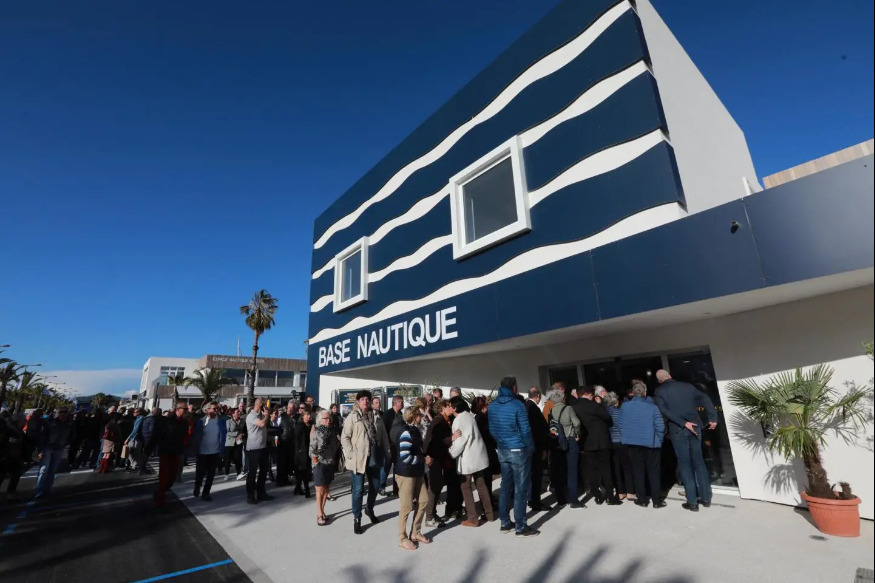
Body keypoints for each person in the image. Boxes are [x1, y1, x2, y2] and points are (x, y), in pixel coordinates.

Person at [654, 369, 717, 511]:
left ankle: (692, 502)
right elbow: (705, 398)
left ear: (659, 380)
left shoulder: (660, 391)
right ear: (670, 375)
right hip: (695, 427)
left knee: (685, 464)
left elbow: (664, 410)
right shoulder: (687, 386)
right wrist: (712, 417)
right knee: (699, 462)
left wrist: (682, 423)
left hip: (678, 430)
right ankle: (706, 498)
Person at [488, 376, 539, 537]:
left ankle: (504, 523)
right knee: (520, 489)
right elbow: (526, 430)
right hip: (518, 449)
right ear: (514, 388)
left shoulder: (493, 406)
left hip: (503, 449)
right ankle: (520, 526)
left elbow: (492, 429)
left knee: (505, 486)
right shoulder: (518, 405)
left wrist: (501, 441)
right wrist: (530, 448)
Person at [341, 390, 391, 535]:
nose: (365, 401)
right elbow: (345, 437)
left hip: (375, 456)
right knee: (358, 490)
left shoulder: (376, 415)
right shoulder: (353, 417)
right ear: (358, 401)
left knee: (375, 486)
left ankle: (369, 509)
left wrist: (387, 452)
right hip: (359, 458)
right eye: (362, 399)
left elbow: (384, 436)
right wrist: (351, 453)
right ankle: (357, 518)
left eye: (367, 399)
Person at [448, 397, 494, 526]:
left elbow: (460, 441)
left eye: (450, 405)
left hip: (468, 458)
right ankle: (489, 514)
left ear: (455, 408)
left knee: (465, 486)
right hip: (478, 456)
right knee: (481, 484)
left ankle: (473, 518)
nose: (448, 408)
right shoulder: (469, 416)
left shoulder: (459, 420)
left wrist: (451, 453)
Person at [619, 382, 666, 508]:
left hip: (633, 444)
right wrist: (659, 441)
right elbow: (660, 427)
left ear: (633, 393)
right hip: (651, 444)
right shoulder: (652, 407)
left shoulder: (624, 406)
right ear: (645, 393)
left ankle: (642, 499)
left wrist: (627, 438)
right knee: (654, 472)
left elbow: (620, 425)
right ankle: (656, 500)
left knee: (638, 472)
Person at [573, 386, 619, 505]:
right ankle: (610, 497)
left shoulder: (574, 407)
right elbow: (607, 418)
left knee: (592, 470)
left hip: (587, 441)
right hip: (602, 441)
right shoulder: (593, 405)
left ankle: (597, 495)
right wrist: (600, 404)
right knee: (606, 469)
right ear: (589, 394)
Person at [395, 406, 431, 551]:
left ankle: (415, 532)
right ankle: (402, 538)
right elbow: (405, 456)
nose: (422, 417)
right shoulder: (405, 432)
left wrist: (424, 457)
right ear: (414, 417)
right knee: (407, 506)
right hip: (405, 473)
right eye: (420, 415)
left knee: (424, 500)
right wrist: (422, 459)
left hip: (417, 472)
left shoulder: (415, 430)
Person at [424, 399, 462, 526]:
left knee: (438, 484)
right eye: (449, 406)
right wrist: (452, 438)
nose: (452, 408)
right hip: (434, 457)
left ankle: (432, 513)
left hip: (439, 457)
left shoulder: (444, 420)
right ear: (443, 408)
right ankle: (429, 517)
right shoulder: (438, 421)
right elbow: (434, 440)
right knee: (434, 486)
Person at [546, 386, 583, 508]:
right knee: (572, 471)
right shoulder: (568, 409)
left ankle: (561, 499)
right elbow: (577, 423)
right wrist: (577, 433)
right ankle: (573, 500)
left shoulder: (551, 411)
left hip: (557, 442)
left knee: (559, 471)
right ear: (563, 398)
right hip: (569, 439)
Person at [34, 407, 75, 499]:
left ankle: (47, 489)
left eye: (65, 412)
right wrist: (40, 450)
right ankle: (39, 490)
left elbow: (73, 435)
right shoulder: (51, 422)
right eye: (61, 412)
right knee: (43, 469)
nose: (63, 413)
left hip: (59, 448)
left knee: (52, 469)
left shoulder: (70, 423)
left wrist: (65, 443)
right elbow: (43, 436)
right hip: (48, 447)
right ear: (58, 413)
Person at [154, 403, 190, 508]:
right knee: (164, 478)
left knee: (172, 478)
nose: (186, 411)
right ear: (178, 409)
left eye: (186, 409)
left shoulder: (185, 422)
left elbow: (184, 436)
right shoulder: (167, 421)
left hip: (177, 452)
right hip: (166, 452)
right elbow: (159, 435)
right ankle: (160, 502)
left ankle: (159, 493)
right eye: (184, 409)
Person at [190, 401, 227, 502]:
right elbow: (195, 435)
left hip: (215, 451)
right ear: (207, 410)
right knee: (200, 473)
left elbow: (224, 435)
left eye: (217, 409)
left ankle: (206, 493)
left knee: (211, 474)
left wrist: (222, 449)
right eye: (214, 409)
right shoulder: (201, 421)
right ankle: (197, 487)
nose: (216, 410)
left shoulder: (221, 421)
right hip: (202, 452)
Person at [310, 409, 339, 526]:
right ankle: (319, 515)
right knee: (320, 490)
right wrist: (316, 463)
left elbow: (336, 446)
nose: (328, 420)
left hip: (330, 462)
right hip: (320, 463)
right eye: (325, 418)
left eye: (329, 418)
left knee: (326, 489)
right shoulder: (316, 432)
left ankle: (322, 511)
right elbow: (312, 451)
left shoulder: (332, 432)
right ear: (319, 420)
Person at [605, 392, 635, 501]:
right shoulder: (619, 412)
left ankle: (620, 492)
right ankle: (630, 492)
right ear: (615, 401)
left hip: (611, 442)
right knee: (627, 467)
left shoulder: (605, 412)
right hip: (621, 442)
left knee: (616, 468)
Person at [471, 396, 499, 511]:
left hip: (484, 450)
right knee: (486, 479)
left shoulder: (477, 418)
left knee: (486, 478)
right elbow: (488, 435)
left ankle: (489, 500)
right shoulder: (482, 418)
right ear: (482, 407)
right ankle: (488, 503)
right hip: (486, 450)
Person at [245, 398, 274, 505]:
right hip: (253, 448)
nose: (266, 407)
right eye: (264, 405)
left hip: (263, 447)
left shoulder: (261, 415)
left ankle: (261, 493)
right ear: (260, 405)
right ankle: (250, 496)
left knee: (263, 471)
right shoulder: (251, 416)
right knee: (252, 473)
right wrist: (267, 414)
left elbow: (264, 427)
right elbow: (261, 424)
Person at [525, 390, 550, 512]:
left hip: (527, 446)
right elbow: (541, 429)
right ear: (538, 396)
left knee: (530, 475)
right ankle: (536, 502)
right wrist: (544, 448)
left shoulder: (524, 406)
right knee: (536, 475)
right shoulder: (533, 409)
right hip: (536, 446)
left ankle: (531, 498)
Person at [382, 395, 404, 496]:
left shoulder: (400, 414)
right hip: (389, 445)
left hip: (398, 445)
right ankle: (381, 486)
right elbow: (383, 431)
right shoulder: (387, 414)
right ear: (395, 403)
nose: (402, 404)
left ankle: (396, 489)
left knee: (397, 467)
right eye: (401, 402)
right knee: (386, 467)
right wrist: (387, 445)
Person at [293, 409, 314, 497]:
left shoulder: (311, 425)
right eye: (307, 415)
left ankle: (297, 488)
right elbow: (296, 439)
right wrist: (298, 450)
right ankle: (307, 490)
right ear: (303, 417)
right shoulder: (300, 425)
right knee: (303, 470)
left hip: (309, 449)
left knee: (305, 471)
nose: (309, 417)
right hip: (301, 451)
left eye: (309, 415)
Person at [276, 402, 296, 487]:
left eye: (292, 408)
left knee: (288, 462)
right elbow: (277, 428)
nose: (290, 409)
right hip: (283, 442)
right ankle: (280, 480)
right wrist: (277, 438)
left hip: (291, 443)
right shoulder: (282, 416)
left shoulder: (296, 417)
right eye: (289, 407)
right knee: (281, 462)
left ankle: (286, 478)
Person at [224, 407, 245, 478]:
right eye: (237, 412)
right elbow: (227, 432)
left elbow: (244, 431)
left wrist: (242, 434)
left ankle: (238, 473)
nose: (239, 413)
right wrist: (237, 434)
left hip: (238, 442)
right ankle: (226, 474)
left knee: (238, 459)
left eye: (239, 412)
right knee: (228, 459)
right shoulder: (228, 421)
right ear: (233, 414)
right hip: (229, 442)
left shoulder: (242, 421)